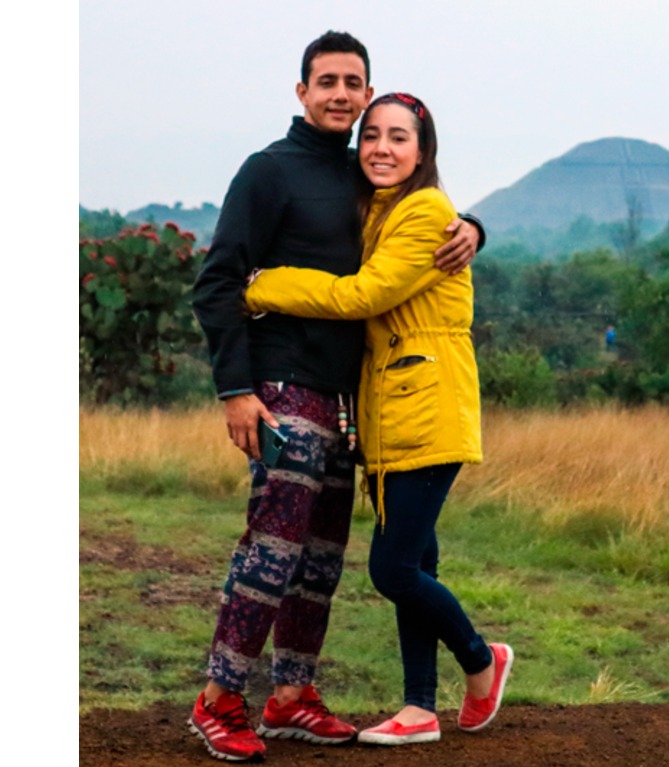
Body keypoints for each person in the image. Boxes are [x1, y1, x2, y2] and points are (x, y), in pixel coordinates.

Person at [189, 32, 484, 763]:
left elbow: (417, 227)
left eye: (355, 83)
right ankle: (220, 698)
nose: (342, 95)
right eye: (328, 82)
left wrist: (477, 228)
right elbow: (218, 281)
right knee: (273, 548)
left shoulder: (363, 178)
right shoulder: (268, 171)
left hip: (348, 401)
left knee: (321, 556)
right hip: (283, 390)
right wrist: (234, 390)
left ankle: (292, 694)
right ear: (302, 92)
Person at [244, 91, 513, 747]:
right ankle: (419, 708)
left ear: (423, 152)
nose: (381, 149)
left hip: (426, 407)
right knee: (418, 560)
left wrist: (259, 285)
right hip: (393, 414)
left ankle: (482, 660)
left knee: (392, 570)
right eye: (371, 136)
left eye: (398, 138)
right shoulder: (376, 210)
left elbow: (361, 294)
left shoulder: (423, 212)